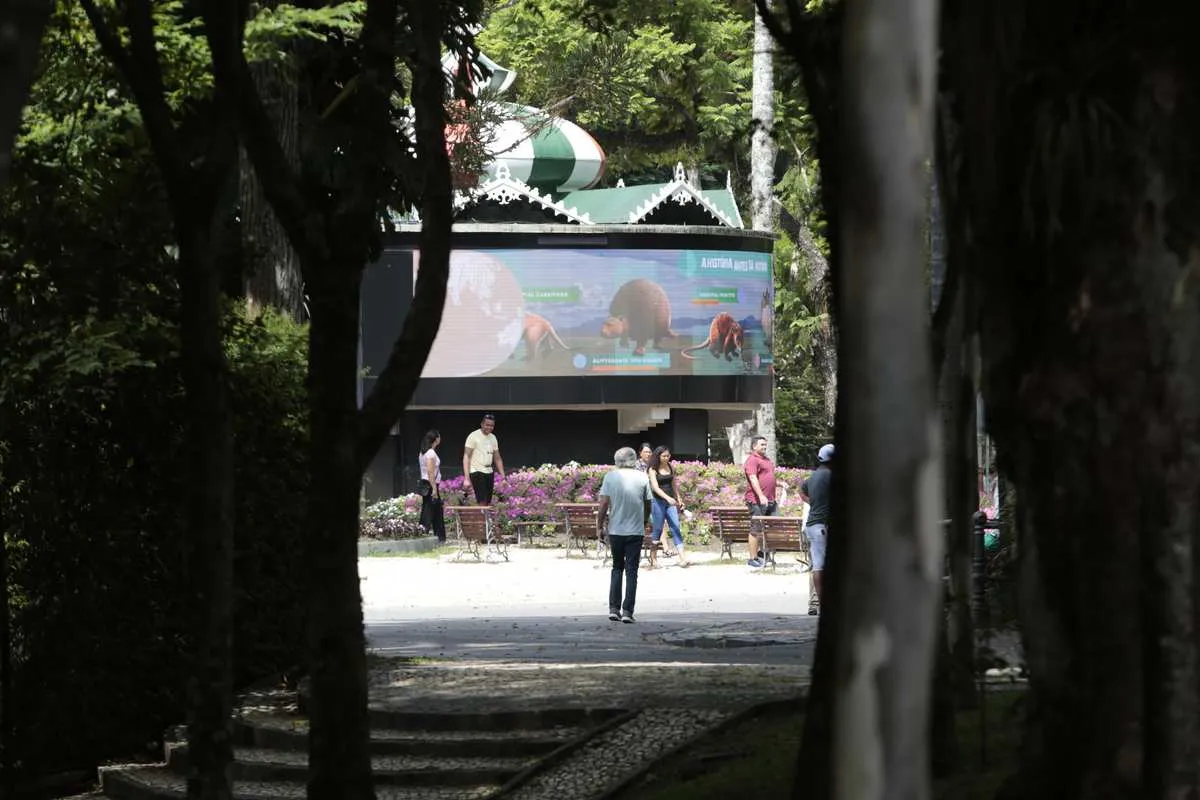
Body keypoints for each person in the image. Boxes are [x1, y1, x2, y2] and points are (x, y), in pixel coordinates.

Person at [597, 447, 652, 624]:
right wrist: (645, 521)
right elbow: (648, 503)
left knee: (617, 567)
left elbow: (604, 504)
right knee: (632, 570)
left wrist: (599, 526)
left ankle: (614, 608)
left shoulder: (610, 477)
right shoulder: (642, 477)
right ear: (634, 459)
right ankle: (628, 611)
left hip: (616, 530)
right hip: (635, 530)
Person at [800, 443, 834, 613]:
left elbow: (801, 490)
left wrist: (812, 502)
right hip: (824, 523)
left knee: (817, 565)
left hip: (812, 524)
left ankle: (818, 603)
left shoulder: (812, 477)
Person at [647, 446, 690, 568]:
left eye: (668, 456)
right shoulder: (652, 469)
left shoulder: (670, 466)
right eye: (664, 456)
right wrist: (667, 498)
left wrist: (678, 498)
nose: (666, 458)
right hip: (658, 501)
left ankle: (683, 558)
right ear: (658, 456)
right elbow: (655, 487)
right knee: (658, 529)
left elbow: (673, 483)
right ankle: (653, 559)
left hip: (671, 502)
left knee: (675, 527)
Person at [743, 435, 777, 568]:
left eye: (765, 444)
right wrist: (761, 495)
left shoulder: (767, 460)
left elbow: (767, 477)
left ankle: (762, 554)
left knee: (774, 526)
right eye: (762, 444)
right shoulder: (752, 460)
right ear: (754, 446)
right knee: (756, 528)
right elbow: (753, 478)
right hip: (756, 500)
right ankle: (753, 559)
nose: (765, 446)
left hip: (770, 500)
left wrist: (779, 483)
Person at [463, 413, 505, 505]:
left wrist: (503, 476)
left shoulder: (493, 437)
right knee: (482, 500)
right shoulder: (473, 436)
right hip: (476, 470)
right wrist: (466, 478)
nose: (489, 427)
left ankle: (484, 514)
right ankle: (482, 514)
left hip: (489, 471)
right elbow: (466, 456)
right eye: (487, 425)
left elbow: (497, 457)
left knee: (487, 501)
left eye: (492, 425)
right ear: (482, 424)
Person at [418, 429, 446, 543]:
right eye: (439, 437)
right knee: (429, 511)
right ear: (436, 439)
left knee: (436, 510)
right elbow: (430, 472)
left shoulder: (423, 452)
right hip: (430, 484)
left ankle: (439, 536)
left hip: (427, 483)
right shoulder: (430, 453)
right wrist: (434, 488)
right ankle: (423, 534)